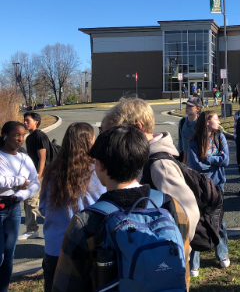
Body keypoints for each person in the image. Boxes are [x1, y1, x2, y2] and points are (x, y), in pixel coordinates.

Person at [52, 125, 192, 292]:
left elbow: (65, 285)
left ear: (100, 165)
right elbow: (183, 271)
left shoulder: (86, 222)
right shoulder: (171, 206)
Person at [101, 98, 200, 243]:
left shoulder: (160, 166)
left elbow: (189, 213)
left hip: (160, 259)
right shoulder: (141, 159)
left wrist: (161, 249)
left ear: (137, 129)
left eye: (119, 135)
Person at [39, 122, 106, 292]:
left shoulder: (51, 172)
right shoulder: (96, 172)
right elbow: (103, 208)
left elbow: (42, 208)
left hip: (54, 248)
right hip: (87, 247)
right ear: (89, 142)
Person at [188, 111, 230, 277]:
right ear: (207, 122)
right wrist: (214, 161)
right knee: (197, 220)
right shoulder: (195, 140)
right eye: (216, 118)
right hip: (200, 186)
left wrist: (206, 158)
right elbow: (195, 165)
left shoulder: (220, 137)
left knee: (219, 221)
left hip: (218, 184)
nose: (219, 121)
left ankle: (222, 254)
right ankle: (194, 264)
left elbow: (226, 161)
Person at [0, 122, 40, 292]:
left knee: (9, 255)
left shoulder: (24, 158)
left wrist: (21, 195)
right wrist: (19, 181)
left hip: (14, 207)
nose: (20, 139)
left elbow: (35, 183)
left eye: (23, 135)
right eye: (16, 135)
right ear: (4, 135)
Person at [20, 112, 49, 240]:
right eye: (24, 120)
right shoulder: (30, 137)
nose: (25, 122)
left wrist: (39, 175)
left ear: (36, 122)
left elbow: (42, 158)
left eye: (27, 120)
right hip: (33, 174)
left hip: (39, 174)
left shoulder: (39, 136)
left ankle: (32, 230)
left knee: (31, 201)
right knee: (31, 201)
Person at [177, 97, 202, 162]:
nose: (187, 107)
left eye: (190, 106)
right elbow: (180, 143)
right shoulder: (182, 122)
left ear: (198, 109)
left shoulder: (201, 124)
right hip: (184, 163)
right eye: (186, 105)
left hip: (196, 163)